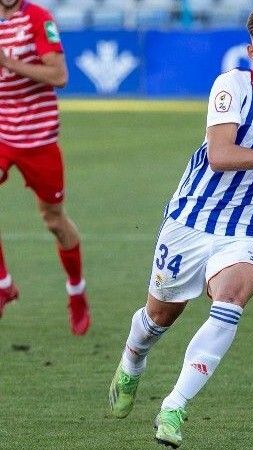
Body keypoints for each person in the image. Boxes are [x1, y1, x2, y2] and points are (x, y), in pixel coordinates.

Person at [106, 3, 253, 447]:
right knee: (159, 316)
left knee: (231, 298)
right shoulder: (232, 85)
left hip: (252, 225)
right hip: (194, 217)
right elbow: (221, 155)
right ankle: (132, 362)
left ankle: (174, 406)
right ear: (252, 51)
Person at [0, 0, 90, 334]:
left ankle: (76, 291)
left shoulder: (37, 18)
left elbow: (59, 74)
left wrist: (8, 61)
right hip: (2, 135)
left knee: (53, 219)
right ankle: (4, 283)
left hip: (38, 139)